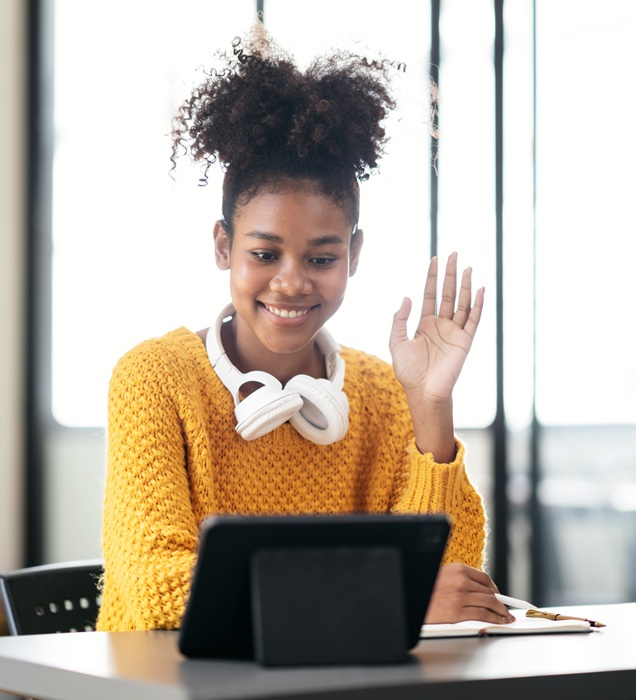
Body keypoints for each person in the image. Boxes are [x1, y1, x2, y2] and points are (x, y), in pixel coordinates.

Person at [96, 23, 514, 633]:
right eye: (264, 254)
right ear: (223, 246)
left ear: (355, 253)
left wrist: (431, 405)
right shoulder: (154, 379)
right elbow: (159, 591)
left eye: (322, 258)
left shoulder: (382, 392)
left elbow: (450, 584)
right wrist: (387, 598)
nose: (292, 283)